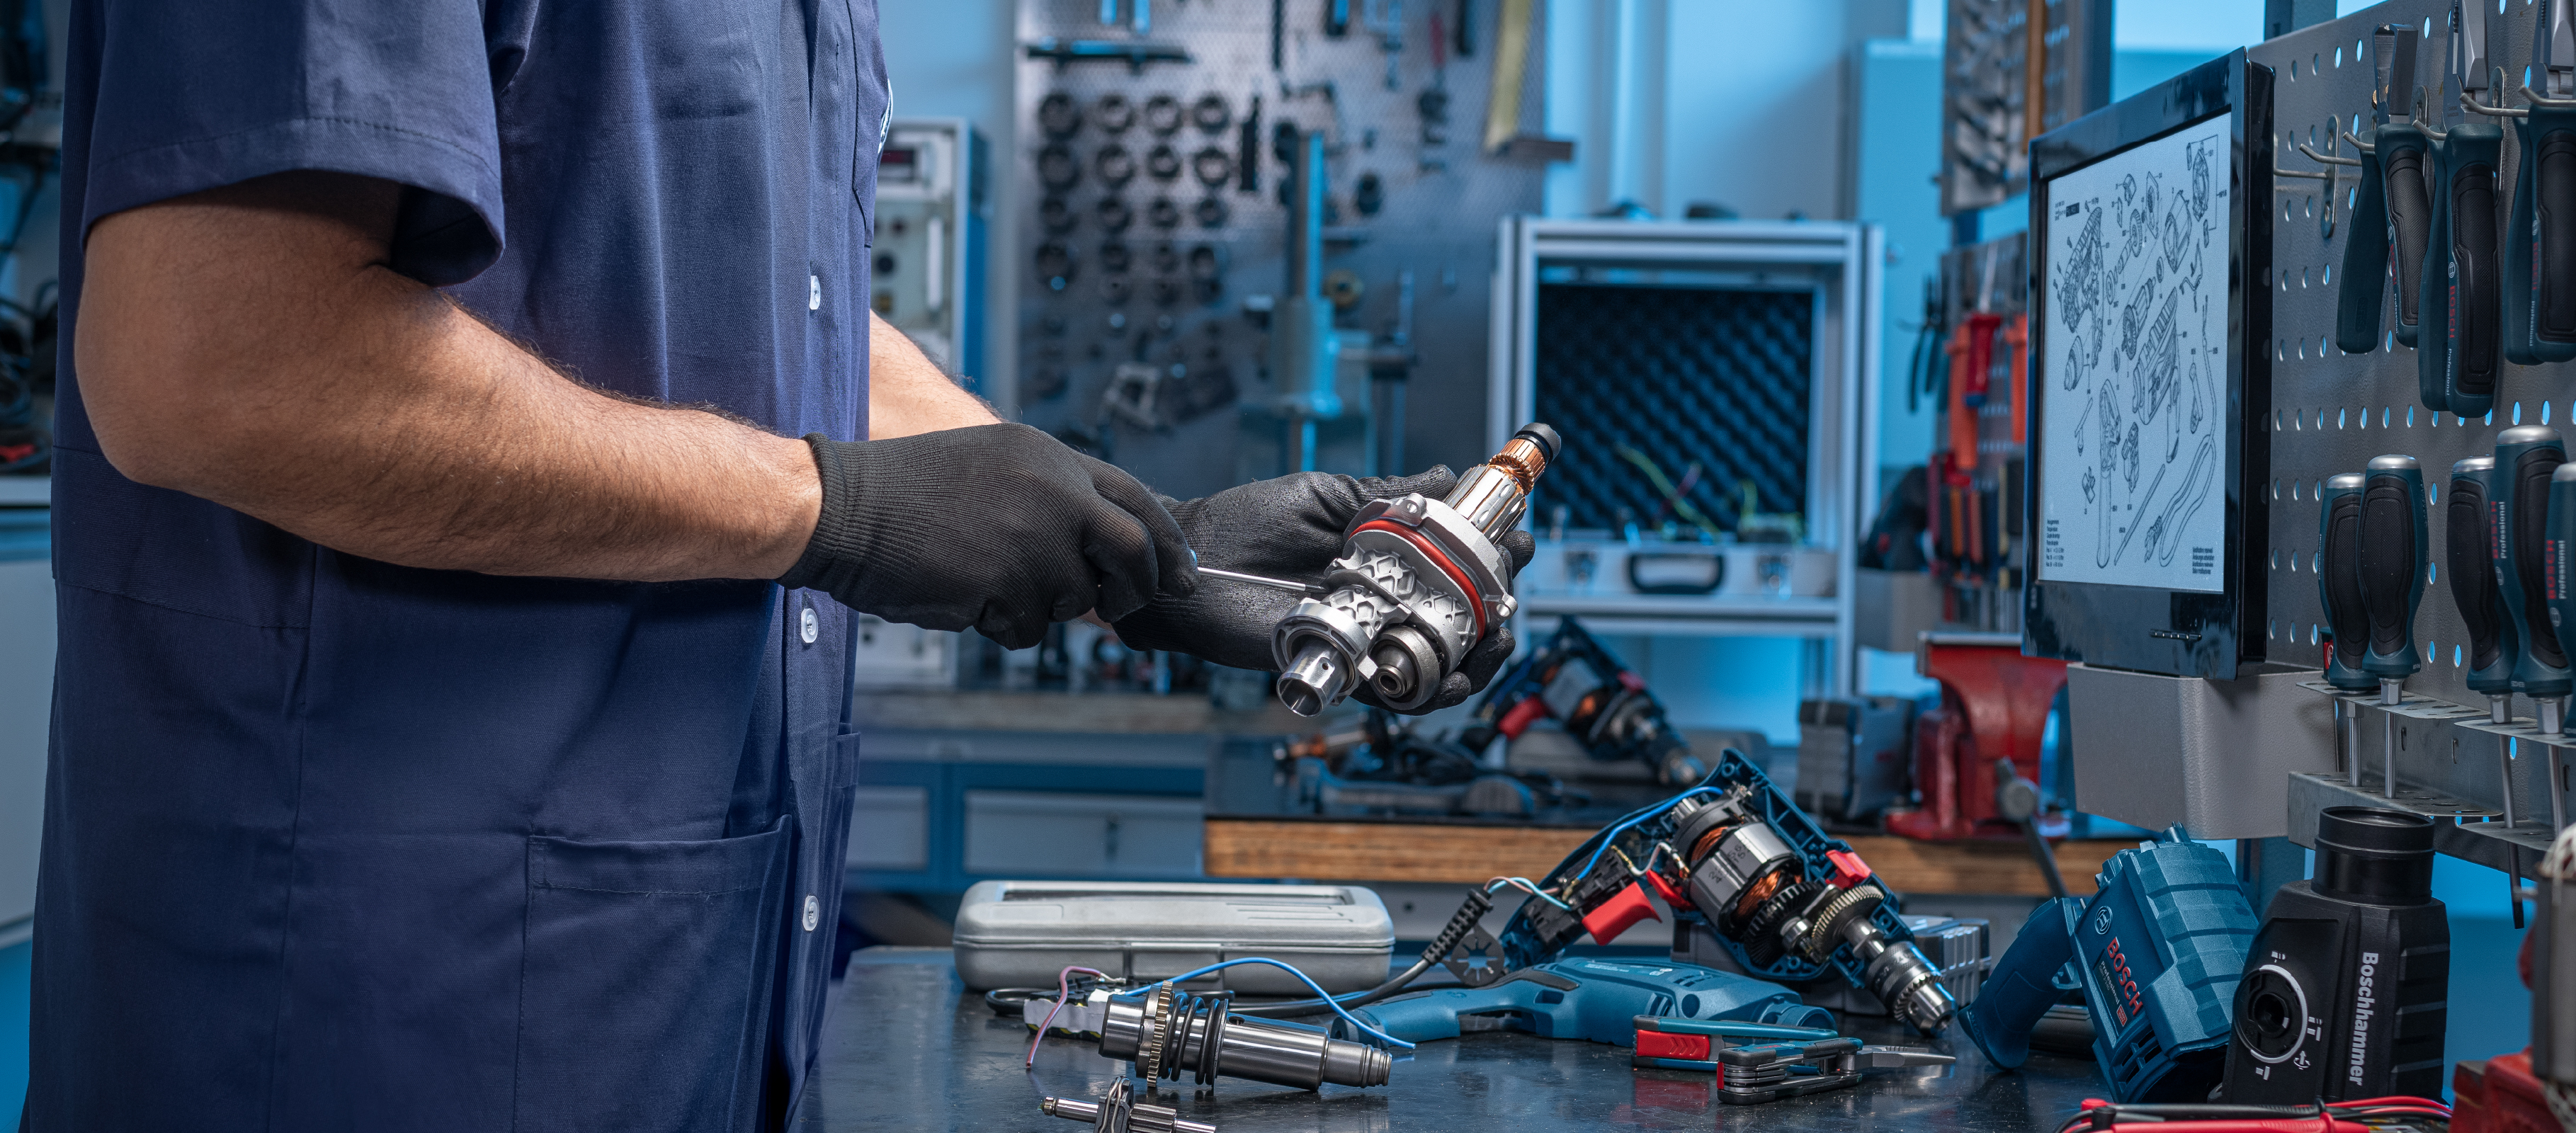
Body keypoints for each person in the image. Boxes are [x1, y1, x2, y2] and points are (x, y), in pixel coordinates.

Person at [23, 2, 1525, 1129]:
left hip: (687, 1001)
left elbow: (772, 320)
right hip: (376, 1003)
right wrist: (836, 508)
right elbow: (220, 359)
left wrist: (1146, 541)